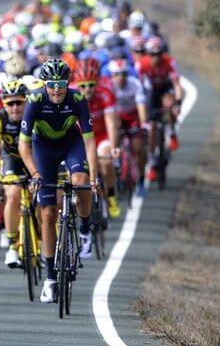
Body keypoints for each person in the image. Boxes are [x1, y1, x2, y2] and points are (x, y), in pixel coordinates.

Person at [18, 59, 100, 303]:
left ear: (68, 83)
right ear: (45, 84)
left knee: (80, 180)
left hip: (70, 144)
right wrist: (34, 173)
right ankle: (51, 278)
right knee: (48, 213)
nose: (56, 89)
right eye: (51, 84)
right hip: (42, 150)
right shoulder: (35, 101)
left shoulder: (76, 100)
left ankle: (85, 229)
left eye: (61, 84)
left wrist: (94, 177)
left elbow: (89, 141)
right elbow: (23, 145)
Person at [71, 58, 120, 225]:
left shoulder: (105, 93)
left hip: (101, 136)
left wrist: (114, 147)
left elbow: (111, 122)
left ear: (97, 82)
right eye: (83, 86)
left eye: (91, 85)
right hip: (80, 139)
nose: (87, 90)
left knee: (106, 160)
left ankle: (111, 194)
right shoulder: (71, 94)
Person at [0, 79, 29, 268]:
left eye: (19, 102)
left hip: (31, 157)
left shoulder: (32, 115)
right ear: (4, 103)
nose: (15, 108)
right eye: (10, 103)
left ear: (25, 101)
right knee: (13, 193)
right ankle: (13, 245)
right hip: (11, 158)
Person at [135, 36, 183, 182]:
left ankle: (171, 132)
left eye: (158, 54)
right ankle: (153, 162)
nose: (155, 58)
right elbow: (138, 89)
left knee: (170, 104)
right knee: (151, 127)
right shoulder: (141, 64)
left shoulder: (169, 62)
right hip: (151, 91)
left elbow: (176, 84)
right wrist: (142, 110)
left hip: (165, 87)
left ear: (162, 53)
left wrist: (178, 102)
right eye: (152, 55)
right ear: (147, 54)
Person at [108, 59, 149, 199]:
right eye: (116, 74)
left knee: (138, 150)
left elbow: (141, 105)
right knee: (111, 148)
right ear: (111, 75)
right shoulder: (108, 86)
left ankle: (142, 181)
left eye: (123, 74)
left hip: (133, 117)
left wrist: (143, 122)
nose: (120, 78)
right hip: (117, 118)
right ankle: (116, 171)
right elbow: (109, 113)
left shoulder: (135, 84)